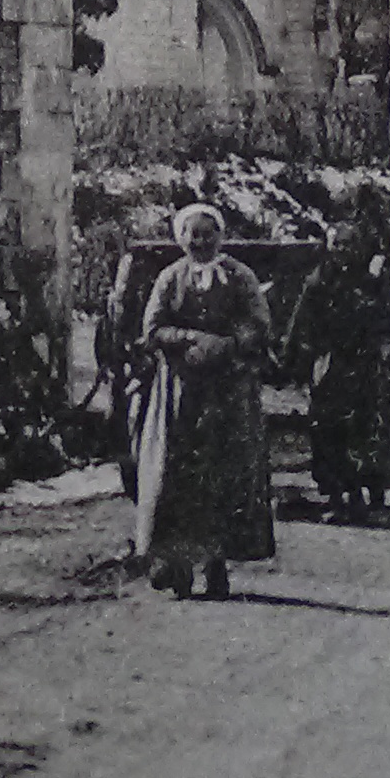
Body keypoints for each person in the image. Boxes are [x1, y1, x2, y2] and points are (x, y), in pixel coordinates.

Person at [134, 203, 276, 600]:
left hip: (228, 395)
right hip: (180, 396)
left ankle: (217, 565)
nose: (199, 242)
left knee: (222, 474)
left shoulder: (239, 277)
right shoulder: (170, 278)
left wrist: (226, 344)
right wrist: (188, 340)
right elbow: (152, 328)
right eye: (191, 234)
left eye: (207, 234)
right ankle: (177, 566)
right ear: (180, 238)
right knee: (177, 476)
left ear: (221, 236)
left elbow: (259, 324)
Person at [279, 221, 390, 520]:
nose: (343, 250)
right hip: (332, 363)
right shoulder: (318, 282)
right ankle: (338, 493)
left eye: (349, 244)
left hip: (365, 363)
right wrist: (295, 360)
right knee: (329, 428)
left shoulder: (371, 280)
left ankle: (373, 491)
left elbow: (385, 319)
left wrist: (387, 354)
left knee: (369, 425)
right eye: (337, 244)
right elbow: (301, 322)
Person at [102, 227, 175, 502]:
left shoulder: (160, 290)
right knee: (127, 426)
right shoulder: (117, 302)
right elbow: (112, 335)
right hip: (132, 370)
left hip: (153, 368)